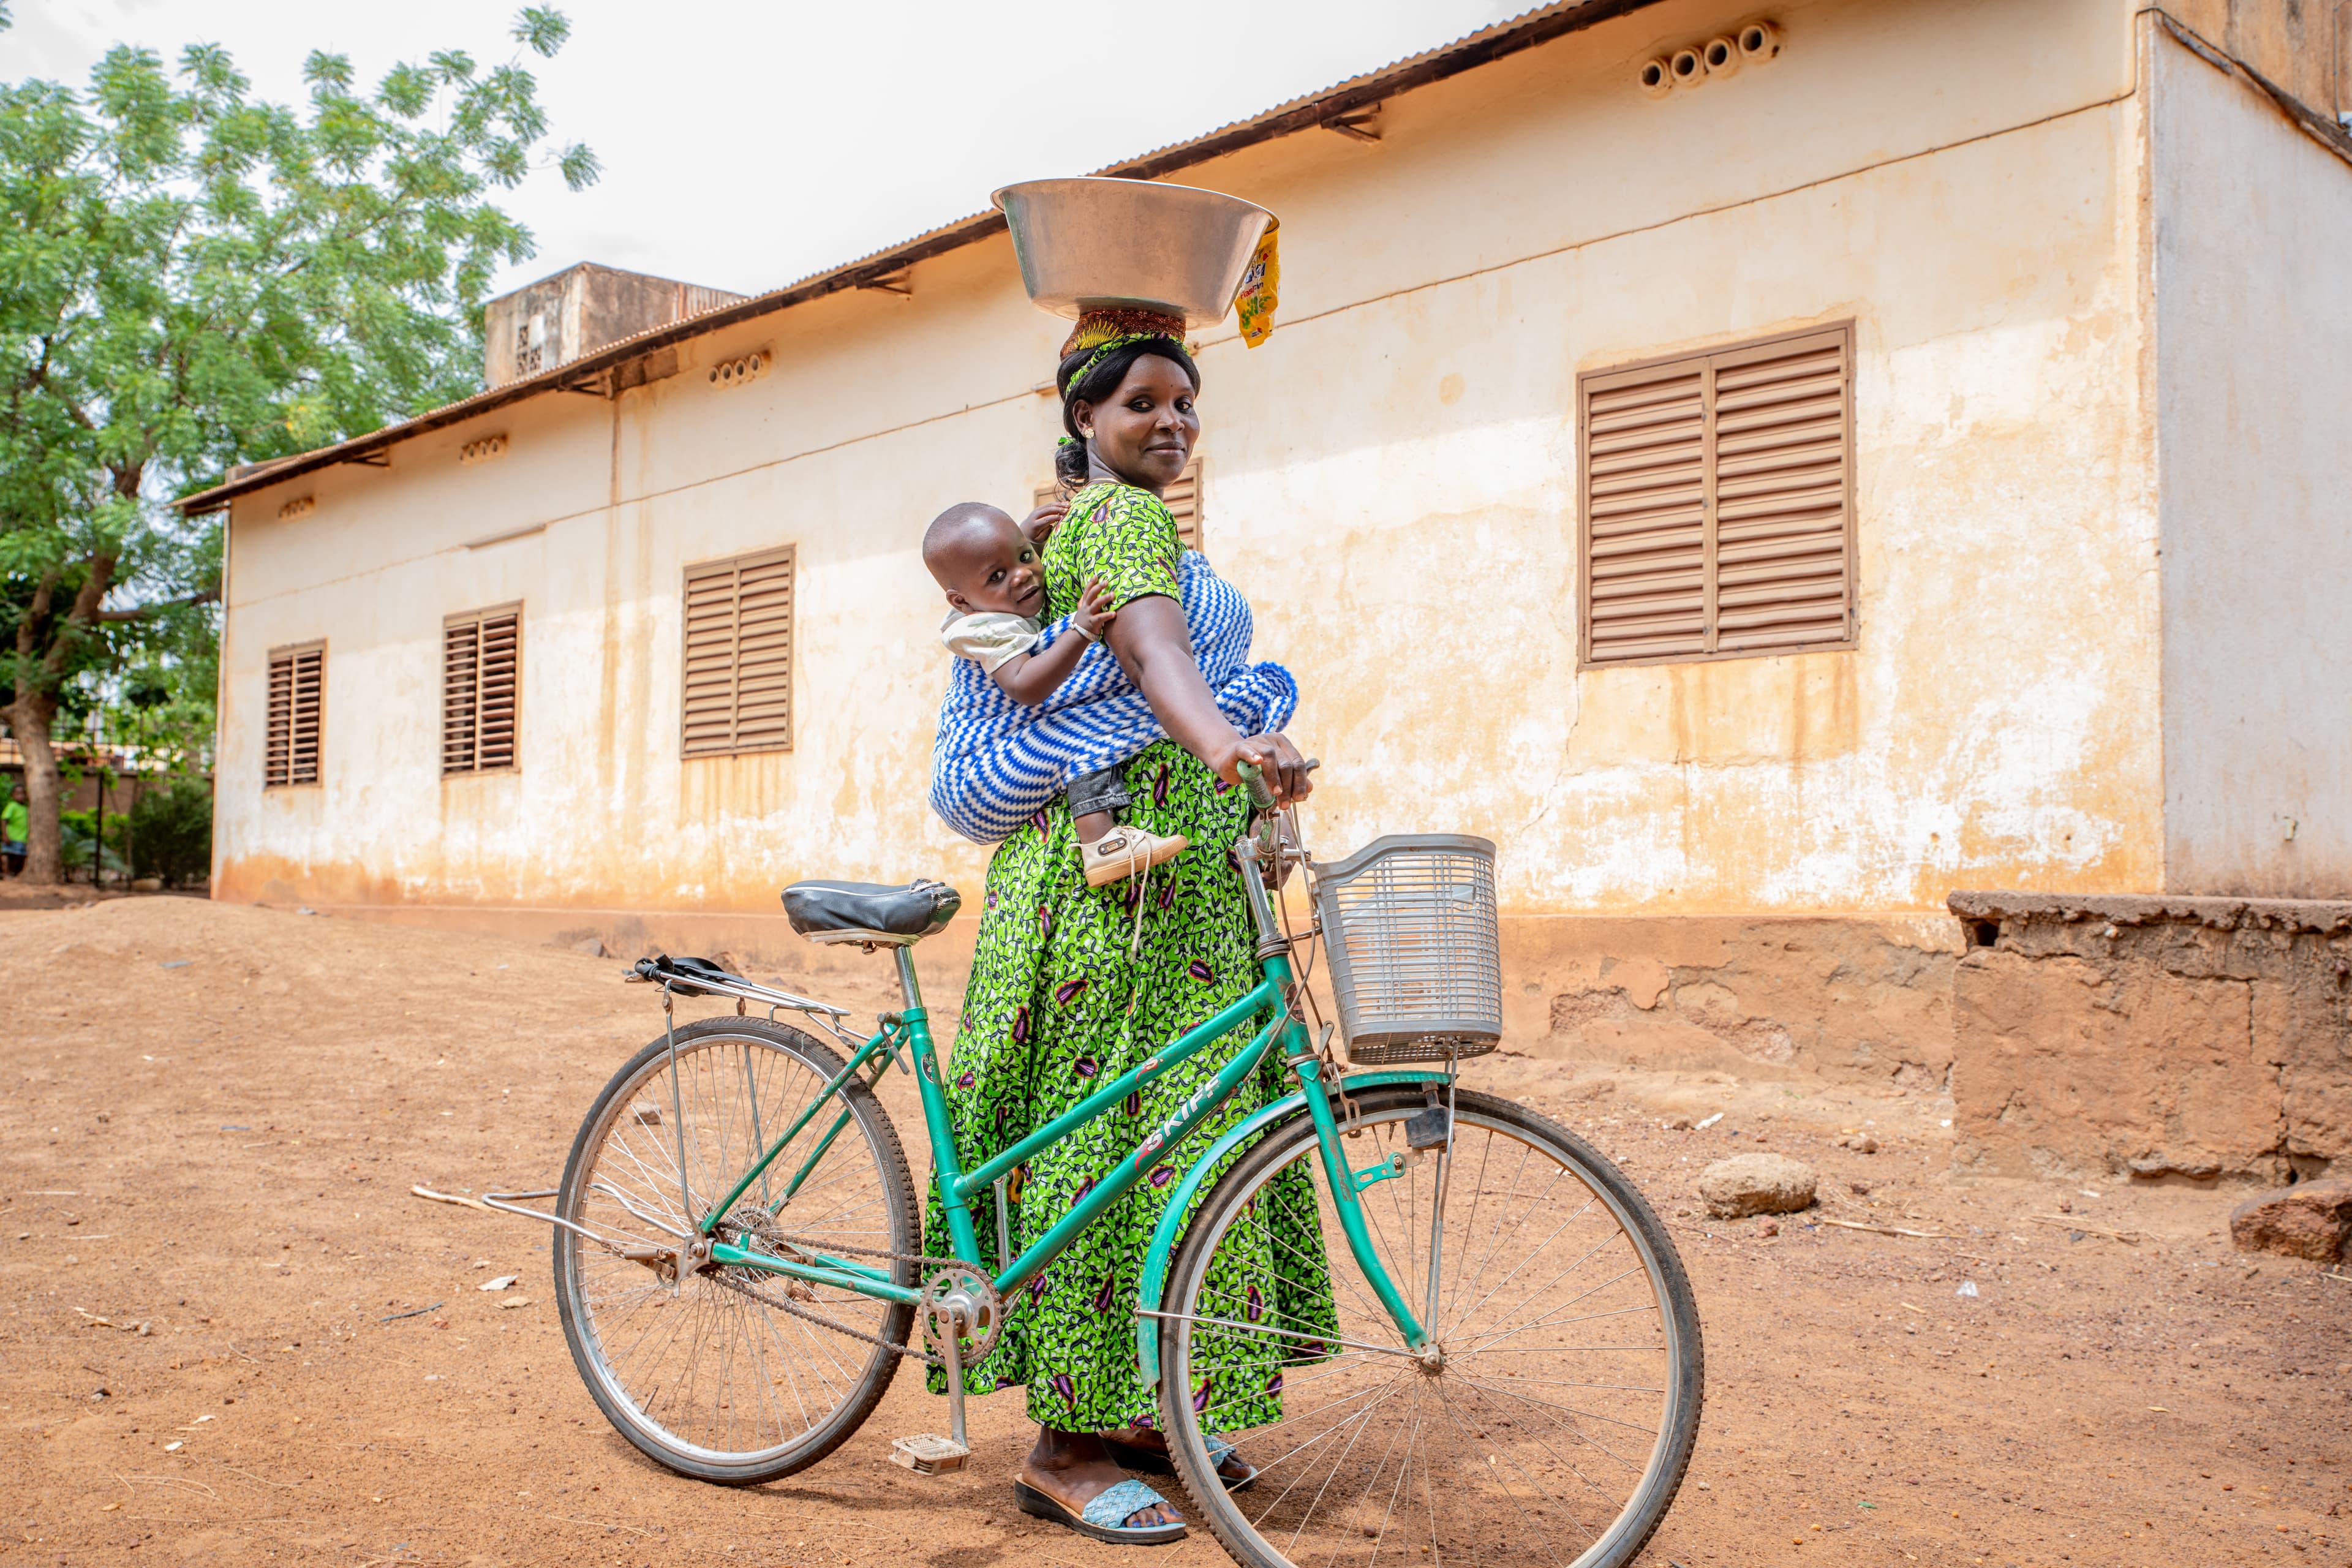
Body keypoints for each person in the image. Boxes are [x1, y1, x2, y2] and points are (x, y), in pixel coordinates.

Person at [922, 307, 1324, 1545]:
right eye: (1141, 400)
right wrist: (1228, 743)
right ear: (1082, 420)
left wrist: (1244, 745)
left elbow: (1176, 655)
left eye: (1186, 402)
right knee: (1111, 1126)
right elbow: (1155, 662)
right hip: (1105, 890)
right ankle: (1063, 1441)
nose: (1171, 421)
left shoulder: (1120, 528)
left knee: (1186, 1124)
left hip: (1175, 883)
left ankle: (1151, 1410)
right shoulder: (1121, 520)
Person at [923, 500, 1191, 885]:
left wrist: (1025, 538)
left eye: (1025, 557)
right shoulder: (984, 628)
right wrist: (1080, 632)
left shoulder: (995, 597)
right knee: (1082, 731)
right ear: (961, 602)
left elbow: (1004, 566)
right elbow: (1026, 687)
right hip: (970, 776)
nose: (1022, 576)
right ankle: (1101, 844)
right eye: (998, 575)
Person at [2, 782, 26, 876]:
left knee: (20, 857)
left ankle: (16, 874)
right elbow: (4, 819)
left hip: (23, 838)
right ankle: (6, 873)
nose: (20, 796)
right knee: (8, 854)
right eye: (17, 794)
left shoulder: (26, 808)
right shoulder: (12, 806)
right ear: (12, 796)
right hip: (11, 836)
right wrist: (5, 834)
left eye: (22, 794)